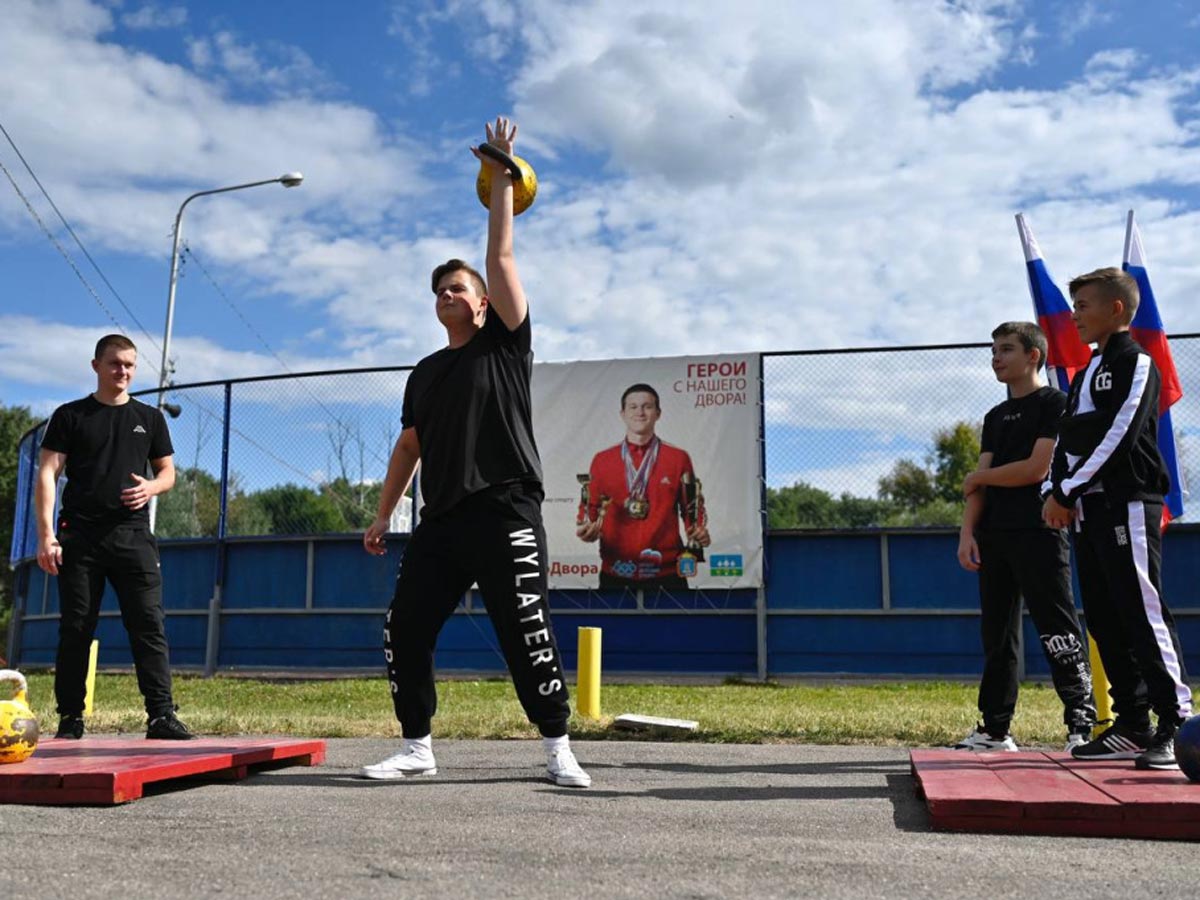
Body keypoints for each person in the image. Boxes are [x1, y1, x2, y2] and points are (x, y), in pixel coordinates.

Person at [361, 117, 589, 787]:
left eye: (457, 288)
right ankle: (416, 747)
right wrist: (383, 516)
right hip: (444, 519)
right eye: (439, 290)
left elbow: (503, 260)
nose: (446, 294)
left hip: (506, 509)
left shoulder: (505, 345)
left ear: (485, 305)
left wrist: (501, 179)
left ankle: (556, 747)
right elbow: (410, 447)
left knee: (525, 632)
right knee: (405, 630)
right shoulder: (425, 372)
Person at [1043, 268, 1191, 769]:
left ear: (1116, 310)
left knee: (1141, 611)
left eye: (1083, 305)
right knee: (1105, 617)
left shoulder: (1137, 362)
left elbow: (1121, 430)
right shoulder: (1085, 372)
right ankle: (1131, 723)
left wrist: (1068, 488)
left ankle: (1178, 722)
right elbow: (1068, 437)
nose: (1074, 315)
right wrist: (1054, 490)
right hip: (1086, 512)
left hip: (1127, 502)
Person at [35, 334, 192, 740]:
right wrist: (47, 536)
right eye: (114, 364)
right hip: (80, 536)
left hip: (133, 535)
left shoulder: (149, 418)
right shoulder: (70, 416)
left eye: (129, 365)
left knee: (148, 623)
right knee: (76, 627)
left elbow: (169, 473)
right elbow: (48, 473)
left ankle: (160, 715)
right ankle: (70, 719)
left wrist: (152, 488)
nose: (122, 372)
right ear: (96, 366)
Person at [954, 322, 1096, 752]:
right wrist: (967, 532)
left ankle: (1080, 726)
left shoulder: (1056, 402)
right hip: (994, 537)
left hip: (1039, 533)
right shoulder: (995, 417)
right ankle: (995, 730)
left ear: (1033, 355)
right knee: (997, 635)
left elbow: (1037, 468)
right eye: (993, 350)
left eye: (1006, 349)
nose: (996, 357)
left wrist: (979, 475)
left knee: (1058, 627)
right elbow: (978, 487)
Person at [575, 384, 711, 590]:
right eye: (633, 407)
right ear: (623, 414)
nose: (640, 412)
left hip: (666, 572)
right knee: (609, 624)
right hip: (616, 571)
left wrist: (698, 532)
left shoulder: (678, 458)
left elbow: (691, 508)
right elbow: (590, 510)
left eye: (647, 406)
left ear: (658, 413)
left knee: (673, 624)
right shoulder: (602, 460)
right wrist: (587, 529)